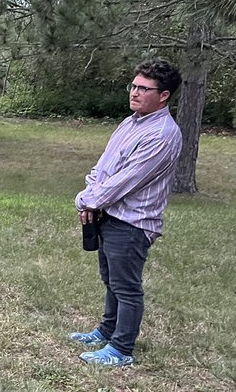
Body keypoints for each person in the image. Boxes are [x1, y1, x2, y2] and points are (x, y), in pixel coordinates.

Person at [71, 58, 183, 367]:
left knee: (126, 286)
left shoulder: (162, 133)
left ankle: (121, 349)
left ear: (164, 95)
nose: (134, 93)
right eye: (133, 86)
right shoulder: (131, 121)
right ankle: (107, 330)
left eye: (144, 89)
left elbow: (127, 180)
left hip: (132, 222)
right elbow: (105, 166)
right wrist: (89, 195)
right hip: (109, 214)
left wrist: (88, 201)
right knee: (111, 279)